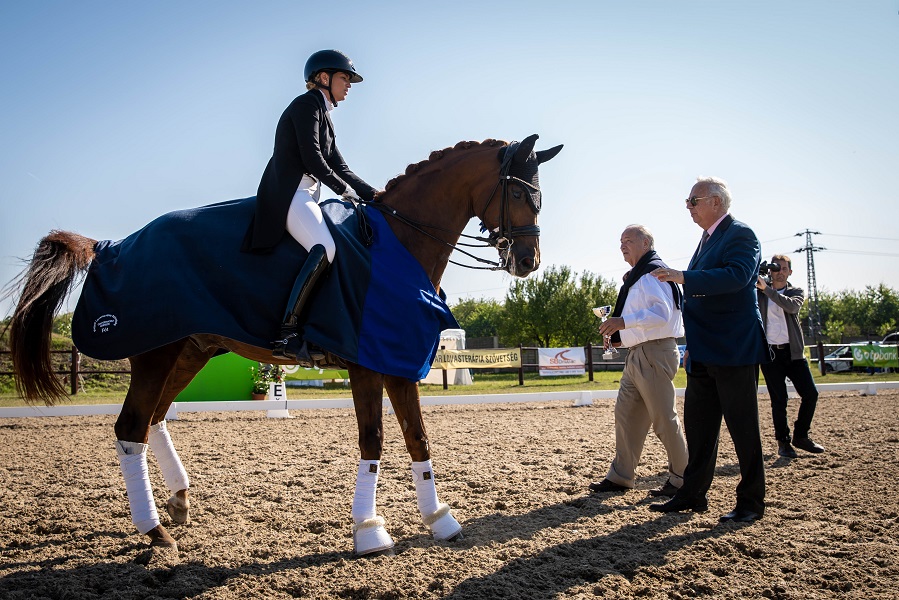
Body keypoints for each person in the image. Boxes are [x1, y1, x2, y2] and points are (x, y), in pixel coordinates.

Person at [243, 49, 378, 361]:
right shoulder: (307, 104)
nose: (350, 84)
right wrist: (344, 191)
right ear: (324, 77)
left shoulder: (324, 113)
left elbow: (341, 167)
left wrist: (378, 196)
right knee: (326, 248)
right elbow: (312, 158)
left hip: (308, 193)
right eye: (345, 78)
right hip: (291, 194)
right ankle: (287, 333)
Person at [650, 176, 768, 523]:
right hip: (701, 348)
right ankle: (692, 495)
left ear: (716, 201)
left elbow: (737, 276)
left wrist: (684, 277)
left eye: (693, 200)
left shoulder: (741, 234)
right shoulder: (706, 238)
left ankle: (750, 502)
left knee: (743, 428)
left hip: (733, 348)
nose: (688, 206)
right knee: (699, 427)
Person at [589, 225, 689, 497]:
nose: (622, 245)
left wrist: (623, 321)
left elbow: (661, 314)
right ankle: (621, 476)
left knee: (664, 419)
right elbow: (646, 317)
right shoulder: (639, 277)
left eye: (629, 240)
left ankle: (682, 478)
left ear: (645, 243)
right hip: (639, 354)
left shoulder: (652, 274)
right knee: (625, 414)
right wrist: (618, 335)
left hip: (654, 352)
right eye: (620, 241)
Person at [757, 254, 826, 457]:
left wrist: (767, 289)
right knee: (779, 400)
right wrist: (757, 277)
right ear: (770, 270)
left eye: (784, 268)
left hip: (793, 353)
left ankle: (801, 436)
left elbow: (791, 306)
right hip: (770, 354)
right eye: (776, 268)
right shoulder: (759, 292)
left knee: (811, 394)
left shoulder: (795, 291)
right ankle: (783, 442)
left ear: (790, 272)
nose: (780, 272)